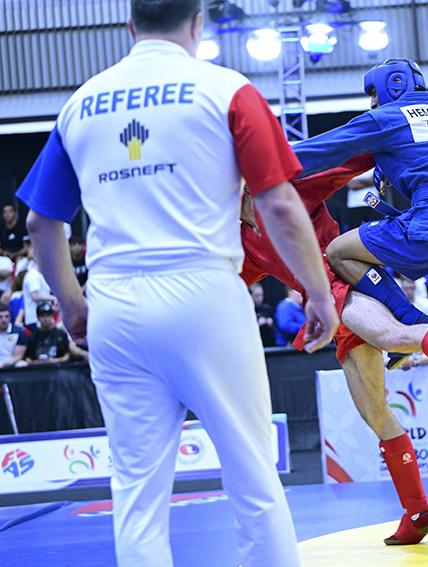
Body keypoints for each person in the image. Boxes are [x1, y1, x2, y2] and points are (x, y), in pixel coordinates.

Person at [16, 2, 342, 564]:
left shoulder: (80, 104)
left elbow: (41, 224)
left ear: (130, 25)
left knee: (137, 494)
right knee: (252, 473)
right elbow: (280, 205)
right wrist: (317, 291)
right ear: (197, 24)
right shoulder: (227, 90)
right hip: (203, 295)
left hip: (114, 301)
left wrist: (72, 304)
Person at [240, 156, 428, 545]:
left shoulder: (288, 190)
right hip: (328, 315)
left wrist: (385, 159)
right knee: (376, 414)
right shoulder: (237, 241)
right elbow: (222, 281)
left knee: (394, 335)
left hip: (347, 284)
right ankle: (417, 513)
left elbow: (345, 159)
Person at [290, 59, 428, 427]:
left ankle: (411, 322)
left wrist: (254, 164)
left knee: (337, 252)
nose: (372, 103)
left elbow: (320, 150)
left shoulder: (388, 116)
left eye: (374, 93)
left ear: (393, 85)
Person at [22, 262, 54, 332]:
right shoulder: (33, 275)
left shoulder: (40, 275)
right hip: (35, 318)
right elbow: (35, 296)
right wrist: (55, 298)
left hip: (42, 315)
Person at [249, 283, 278, 347]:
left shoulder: (267, 308)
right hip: (254, 343)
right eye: (256, 295)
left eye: (261, 295)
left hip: (270, 343)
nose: (260, 298)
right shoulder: (247, 311)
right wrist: (257, 324)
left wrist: (271, 323)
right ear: (250, 296)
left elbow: (277, 329)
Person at [0, 304, 27, 368]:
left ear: (10, 317)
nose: (4, 320)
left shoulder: (19, 333)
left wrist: (3, 364)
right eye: (0, 317)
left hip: (12, 363)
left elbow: (18, 356)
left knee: (22, 364)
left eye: (6, 316)